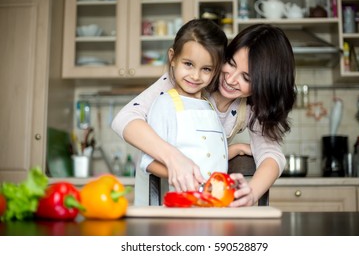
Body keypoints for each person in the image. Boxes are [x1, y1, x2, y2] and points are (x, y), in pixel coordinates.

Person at [112, 23, 296, 207]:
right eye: (230, 63)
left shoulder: (250, 108)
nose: (230, 80)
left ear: (264, 85)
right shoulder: (186, 81)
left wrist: (251, 192)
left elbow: (272, 155)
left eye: (246, 78)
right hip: (159, 189)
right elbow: (125, 118)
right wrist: (174, 158)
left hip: (201, 196)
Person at [133, 19, 248, 205]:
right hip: (181, 205)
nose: (195, 76)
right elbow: (148, 162)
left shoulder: (208, 105)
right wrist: (181, 174)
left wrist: (234, 150)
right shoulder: (165, 104)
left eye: (206, 69)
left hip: (213, 204)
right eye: (188, 64)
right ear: (172, 58)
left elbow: (205, 152)